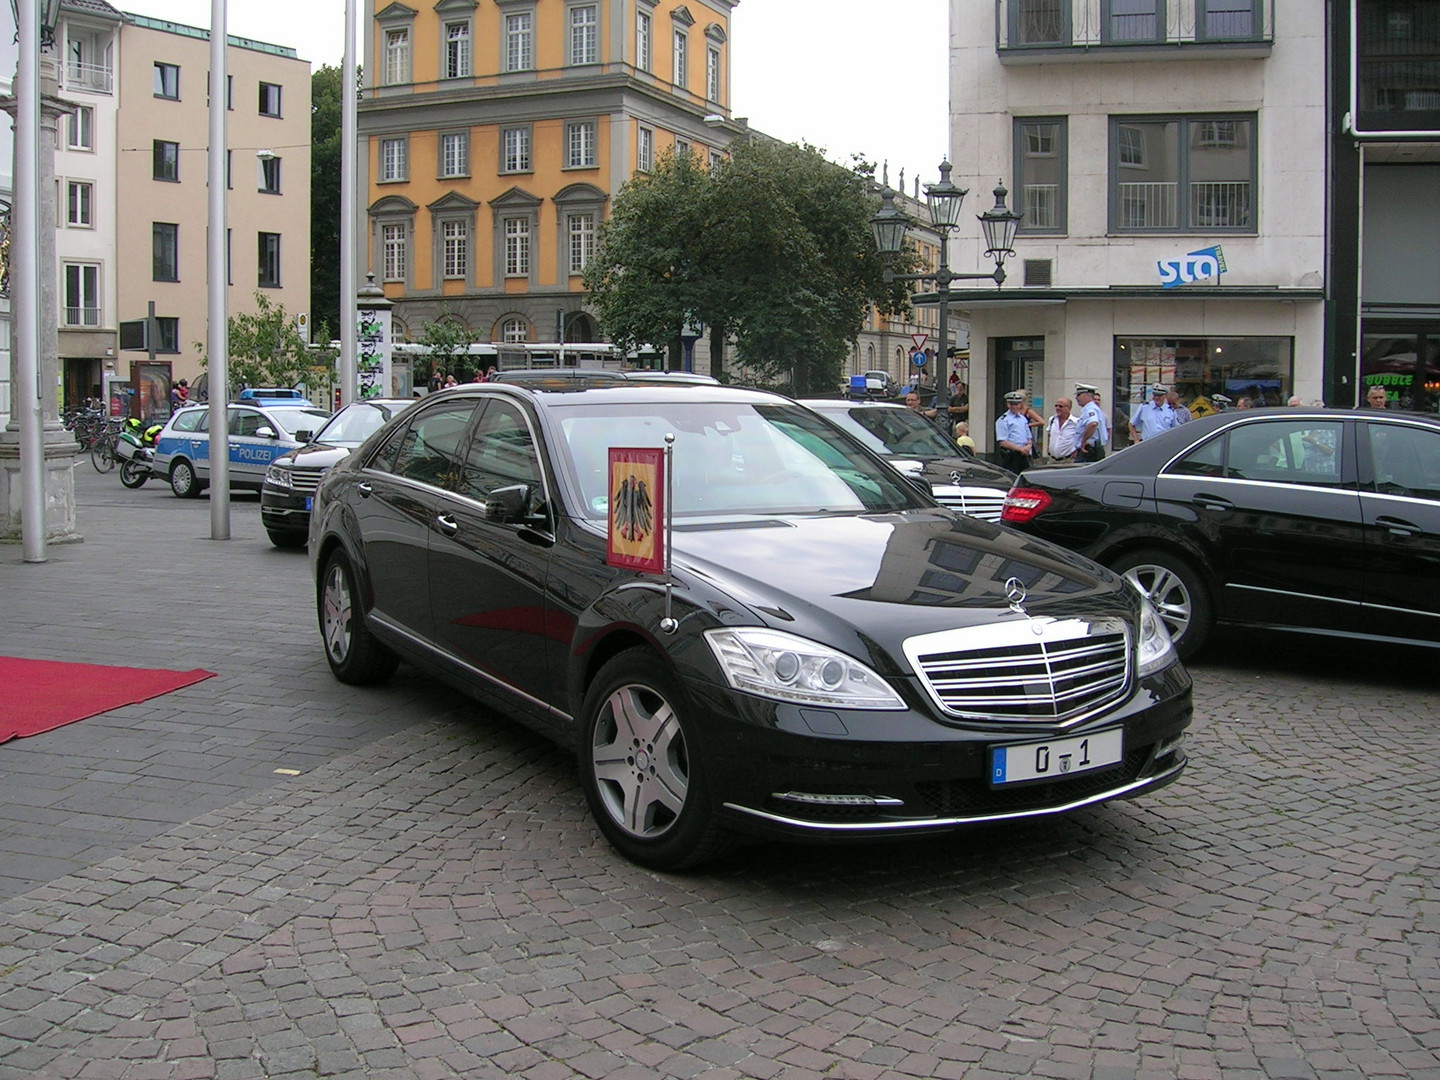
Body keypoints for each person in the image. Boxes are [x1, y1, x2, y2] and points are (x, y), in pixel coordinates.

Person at [995, 389, 1034, 473]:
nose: (1015, 406)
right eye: (1012, 404)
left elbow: (1029, 437)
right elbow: (1003, 442)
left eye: (1017, 404)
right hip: (1012, 455)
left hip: (1024, 455)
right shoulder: (1004, 420)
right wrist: (1020, 449)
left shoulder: (1023, 419)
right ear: (1008, 404)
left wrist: (1028, 446)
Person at [1074, 383, 1109, 462]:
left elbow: (1093, 424)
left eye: (1079, 395)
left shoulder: (1090, 409)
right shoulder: (1091, 408)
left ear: (1087, 395)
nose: (1076, 398)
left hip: (1089, 451)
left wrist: (1083, 441)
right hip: (1091, 450)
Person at [1044, 397, 1080, 462]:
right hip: (1052, 460)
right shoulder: (1052, 419)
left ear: (1069, 408)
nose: (1057, 408)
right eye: (1056, 406)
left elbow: (1081, 437)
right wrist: (1048, 447)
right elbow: (1049, 433)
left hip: (1068, 460)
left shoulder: (1075, 422)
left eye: (1060, 406)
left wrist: (1076, 450)